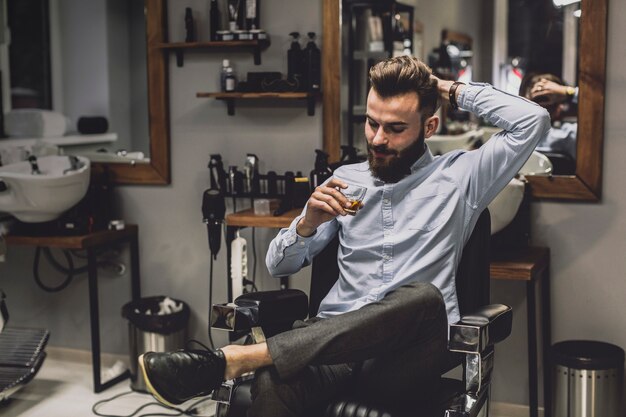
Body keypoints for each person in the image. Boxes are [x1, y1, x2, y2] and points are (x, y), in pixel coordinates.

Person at [139, 56, 550, 416]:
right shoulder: (345, 181)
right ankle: (253, 361)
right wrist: (307, 223)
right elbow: (278, 264)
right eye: (371, 123)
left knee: (424, 298)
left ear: (430, 125)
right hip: (330, 346)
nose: (377, 139)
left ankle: (237, 359)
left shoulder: (462, 177)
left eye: (394, 128)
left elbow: (533, 120)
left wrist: (441, 86)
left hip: (404, 357)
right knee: (274, 385)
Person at [519, 72, 578, 161]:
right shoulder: (570, 136)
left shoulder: (510, 139)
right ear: (559, 107)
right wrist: (567, 91)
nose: (541, 105)